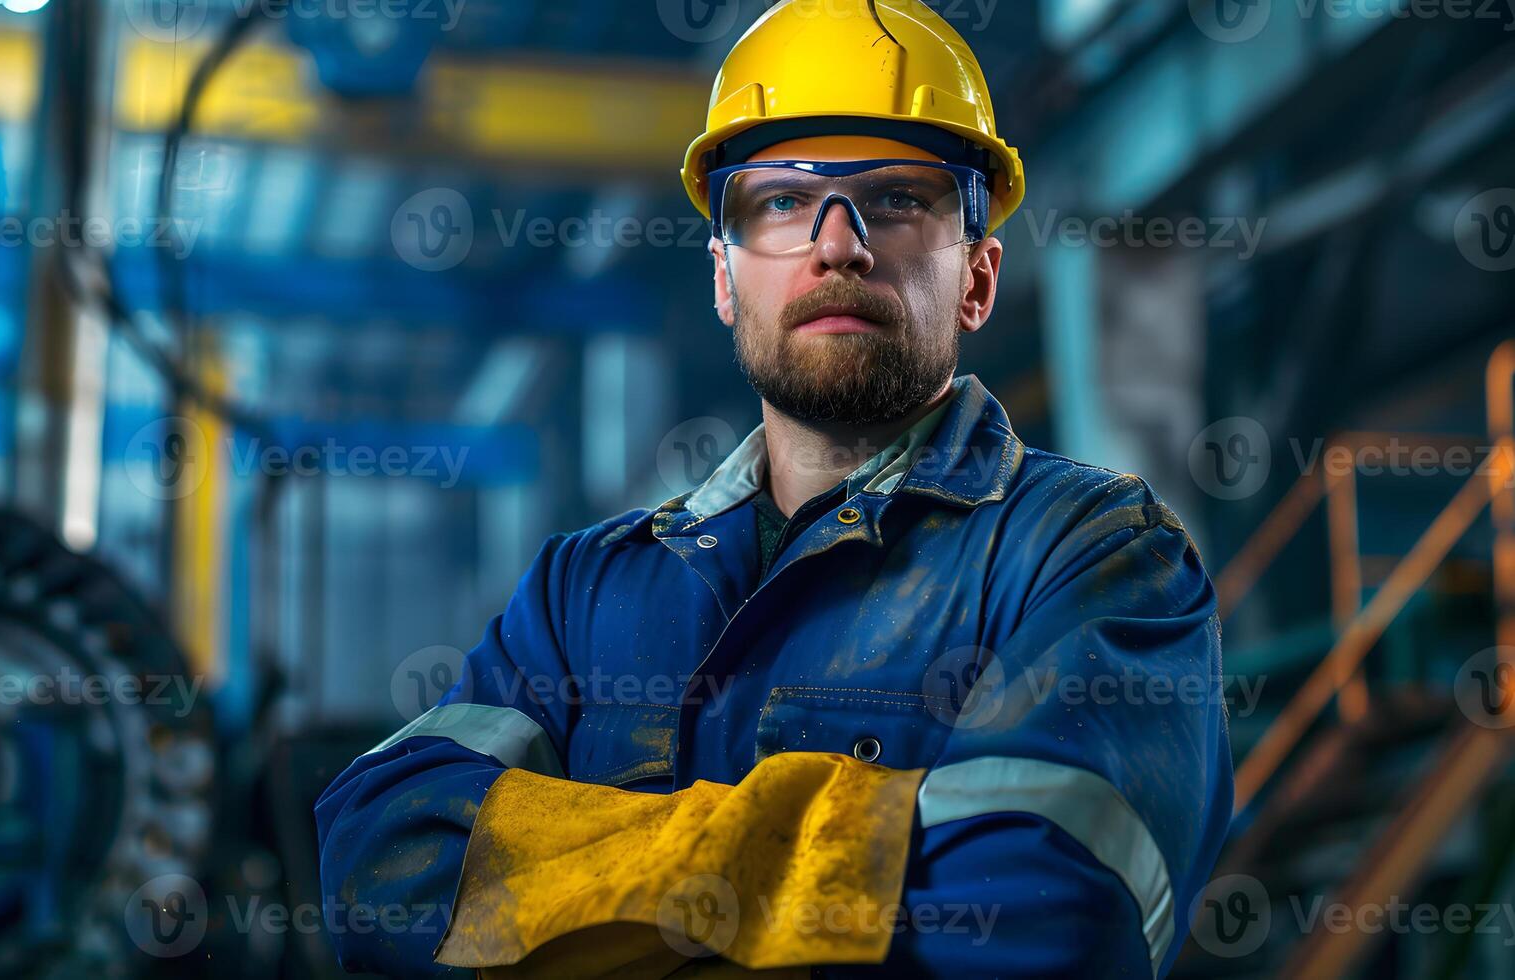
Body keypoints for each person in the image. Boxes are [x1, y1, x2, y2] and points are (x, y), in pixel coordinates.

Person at [317, 1, 1233, 975]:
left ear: (977, 276)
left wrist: (585, 884)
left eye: (895, 199)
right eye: (782, 202)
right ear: (723, 277)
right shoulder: (586, 589)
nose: (837, 242)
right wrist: (829, 862)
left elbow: (1053, 905)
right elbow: (382, 855)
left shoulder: (1091, 552)